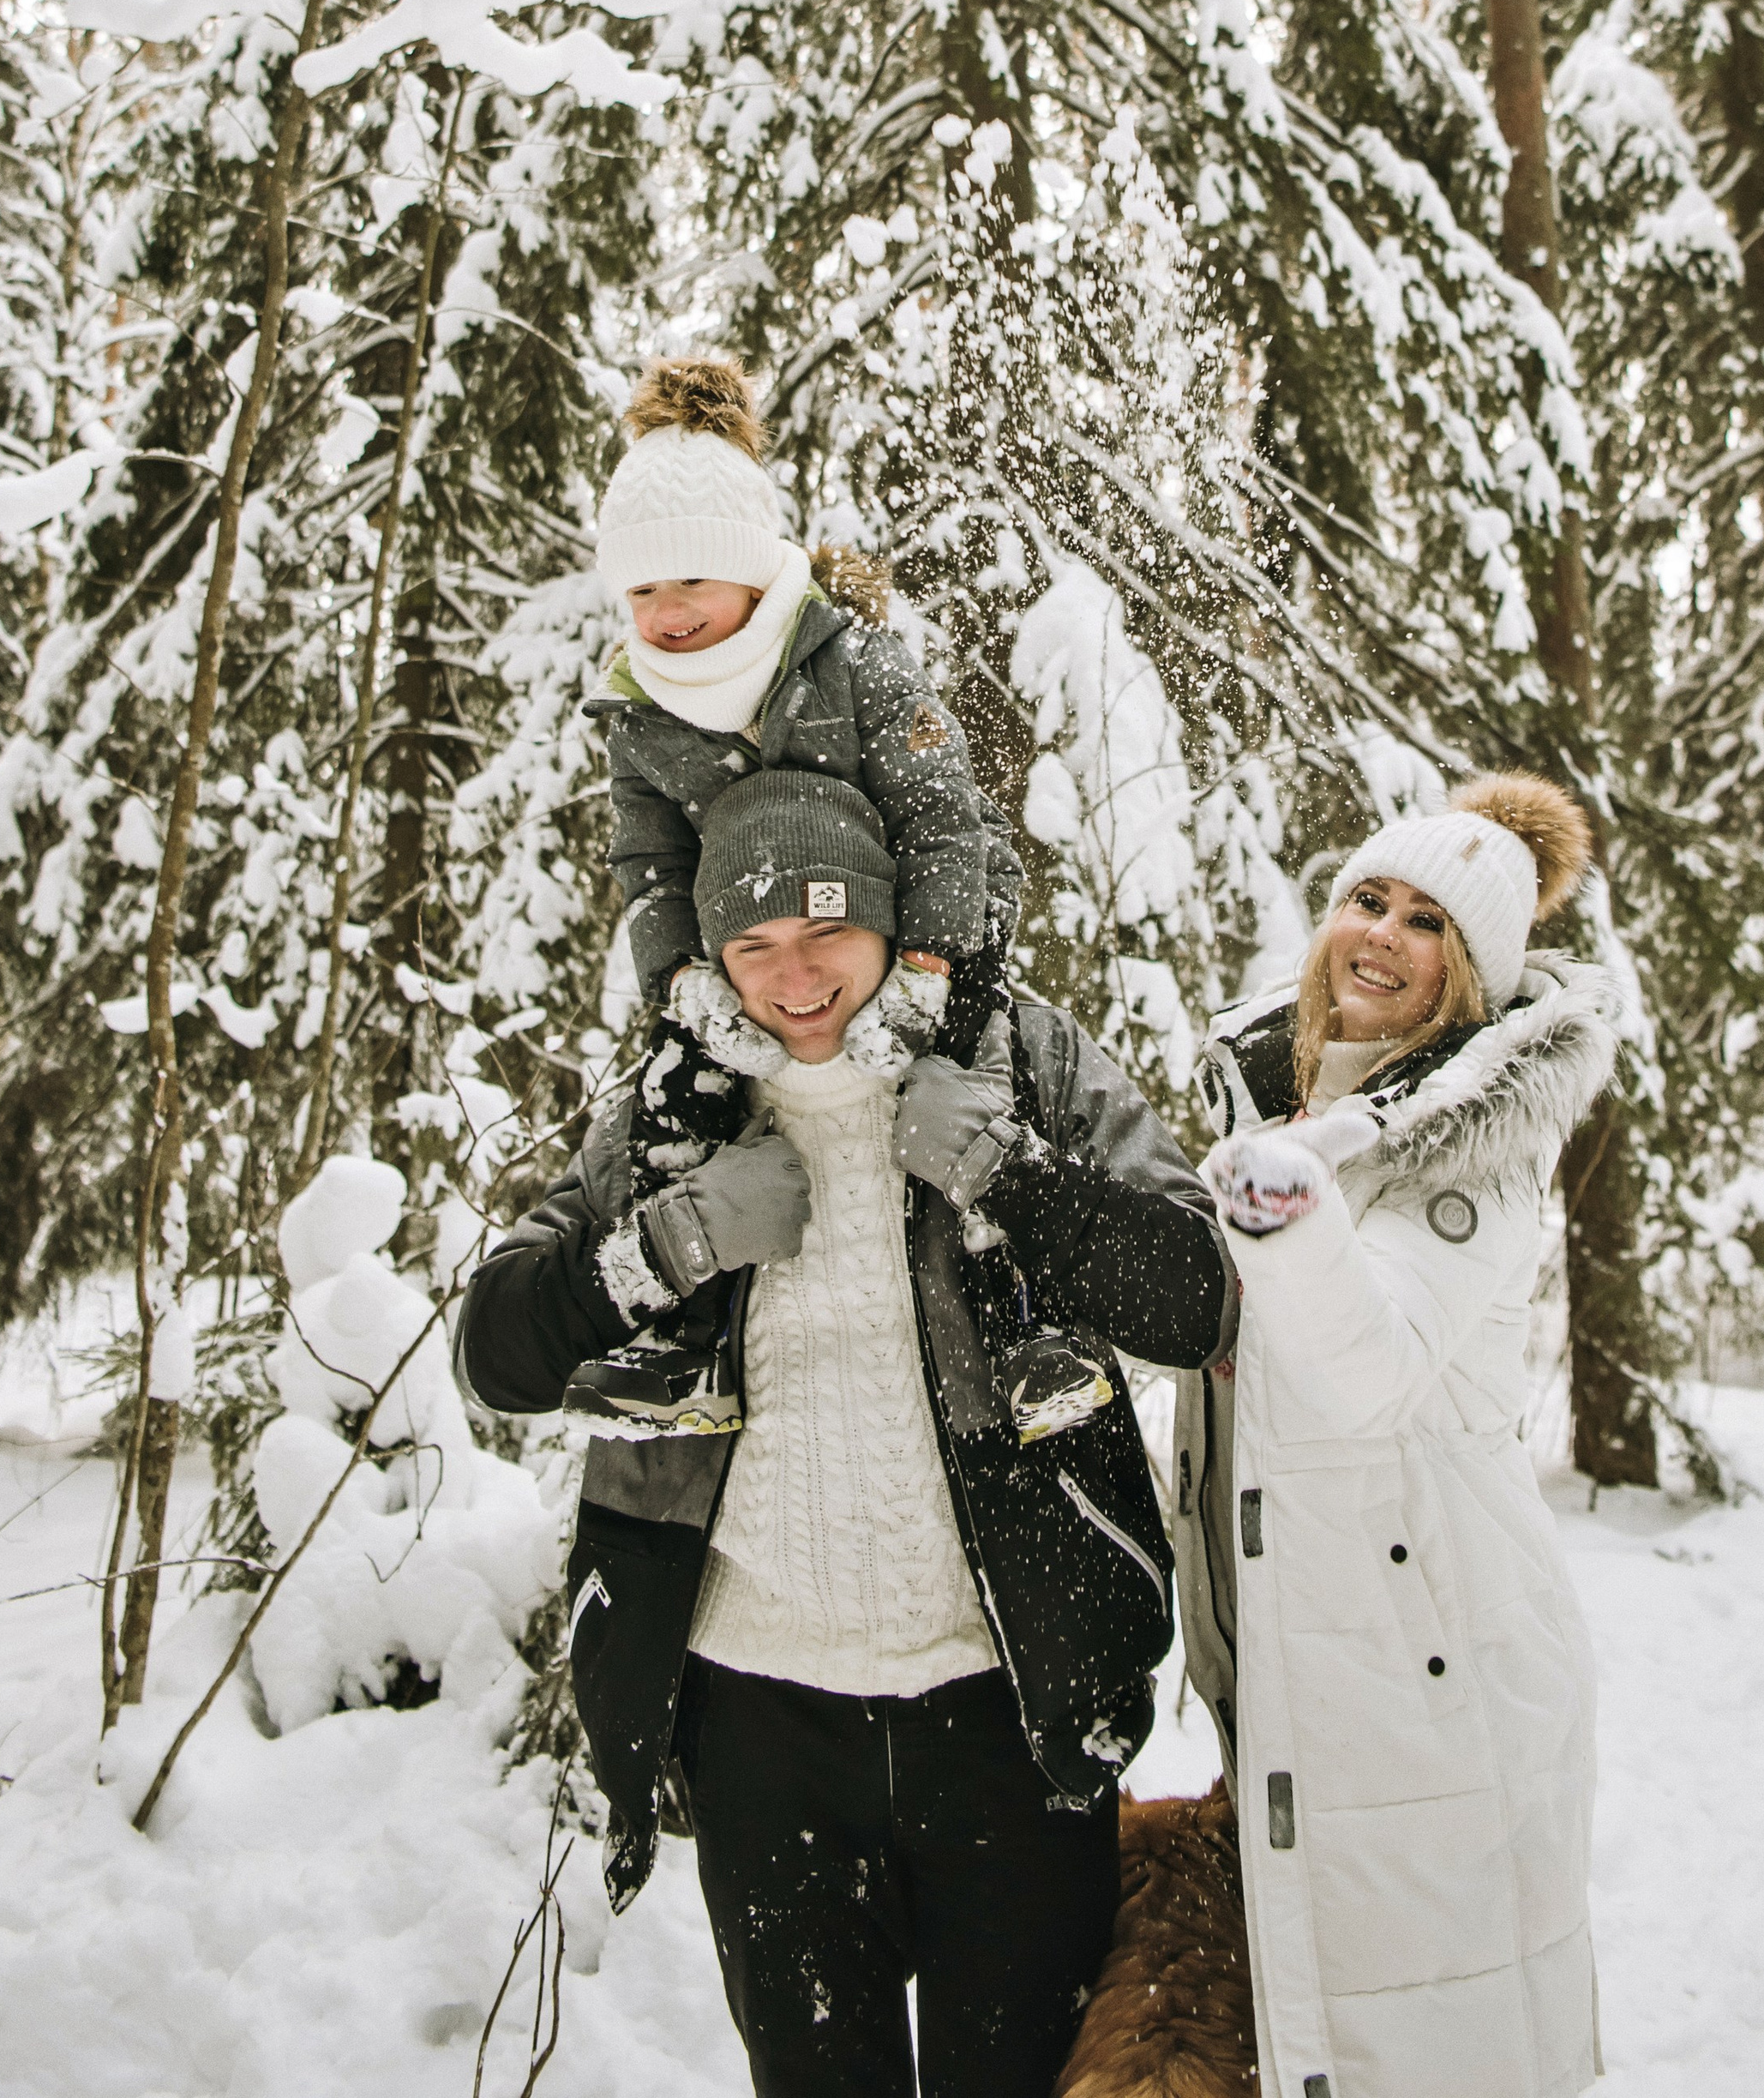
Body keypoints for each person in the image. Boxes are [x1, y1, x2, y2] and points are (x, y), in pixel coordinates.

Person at [456, 769, 1235, 2098]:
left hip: (1013, 1714)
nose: (794, 976)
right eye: (751, 947)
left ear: (893, 921)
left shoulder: (1018, 1059)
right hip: (765, 1732)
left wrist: (1007, 1174)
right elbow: (498, 1350)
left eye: (827, 931)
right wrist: (672, 1240)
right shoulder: (670, 1115)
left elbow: (1194, 1295)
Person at [1174, 772, 1616, 2098]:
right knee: (1330, 2020)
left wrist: (1284, 1209)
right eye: (1369, 898)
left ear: (1470, 976)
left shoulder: (1475, 1148)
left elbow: (1366, 1370)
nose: (1382, 932)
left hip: (1434, 1667)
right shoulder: (1277, 1099)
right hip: (1305, 1648)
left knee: (1431, 2034)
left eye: (1428, 921)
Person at [586, 354, 1023, 1221]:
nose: (667, 610)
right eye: (642, 589)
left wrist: (929, 970)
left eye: (692, 581)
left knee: (966, 1080)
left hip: (936, 916)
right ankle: (681, 1289)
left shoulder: (852, 662)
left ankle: (998, 1275)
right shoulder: (641, 716)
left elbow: (938, 819)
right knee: (681, 1097)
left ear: (752, 573)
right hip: (763, 955)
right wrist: (683, 984)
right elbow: (650, 865)